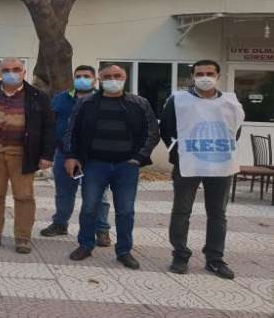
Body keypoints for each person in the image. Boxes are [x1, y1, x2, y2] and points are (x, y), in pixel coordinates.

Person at [64, 63, 160, 270]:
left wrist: (139, 157)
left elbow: (153, 132)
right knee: (89, 207)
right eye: (108, 76)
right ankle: (85, 244)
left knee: (125, 211)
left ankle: (124, 251)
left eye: (117, 75)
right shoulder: (86, 103)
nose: (113, 79)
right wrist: (71, 156)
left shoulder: (140, 103)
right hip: (94, 165)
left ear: (125, 78)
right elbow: (71, 131)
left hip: (126, 166)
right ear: (99, 80)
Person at [160, 60, 244, 280]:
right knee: (181, 211)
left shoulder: (231, 102)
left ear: (218, 75)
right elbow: (166, 128)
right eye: (200, 73)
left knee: (218, 213)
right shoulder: (179, 100)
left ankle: (215, 259)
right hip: (187, 163)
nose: (204, 77)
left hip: (220, 164)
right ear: (192, 76)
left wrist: (219, 149)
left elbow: (234, 131)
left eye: (209, 73)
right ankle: (180, 255)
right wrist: (177, 150)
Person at [0, 58, 54, 253]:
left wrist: (47, 154)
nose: (11, 73)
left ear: (24, 72)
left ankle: (23, 238)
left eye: (16, 69)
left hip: (23, 154)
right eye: (6, 70)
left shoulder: (37, 96)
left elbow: (49, 127)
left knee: (24, 196)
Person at [40, 66, 112, 248]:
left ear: (95, 80)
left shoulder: (103, 99)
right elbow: (50, 124)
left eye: (86, 76)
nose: (82, 79)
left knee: (99, 196)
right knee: (64, 193)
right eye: (78, 76)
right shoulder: (60, 99)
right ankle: (60, 224)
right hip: (65, 154)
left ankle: (102, 229)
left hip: (94, 158)